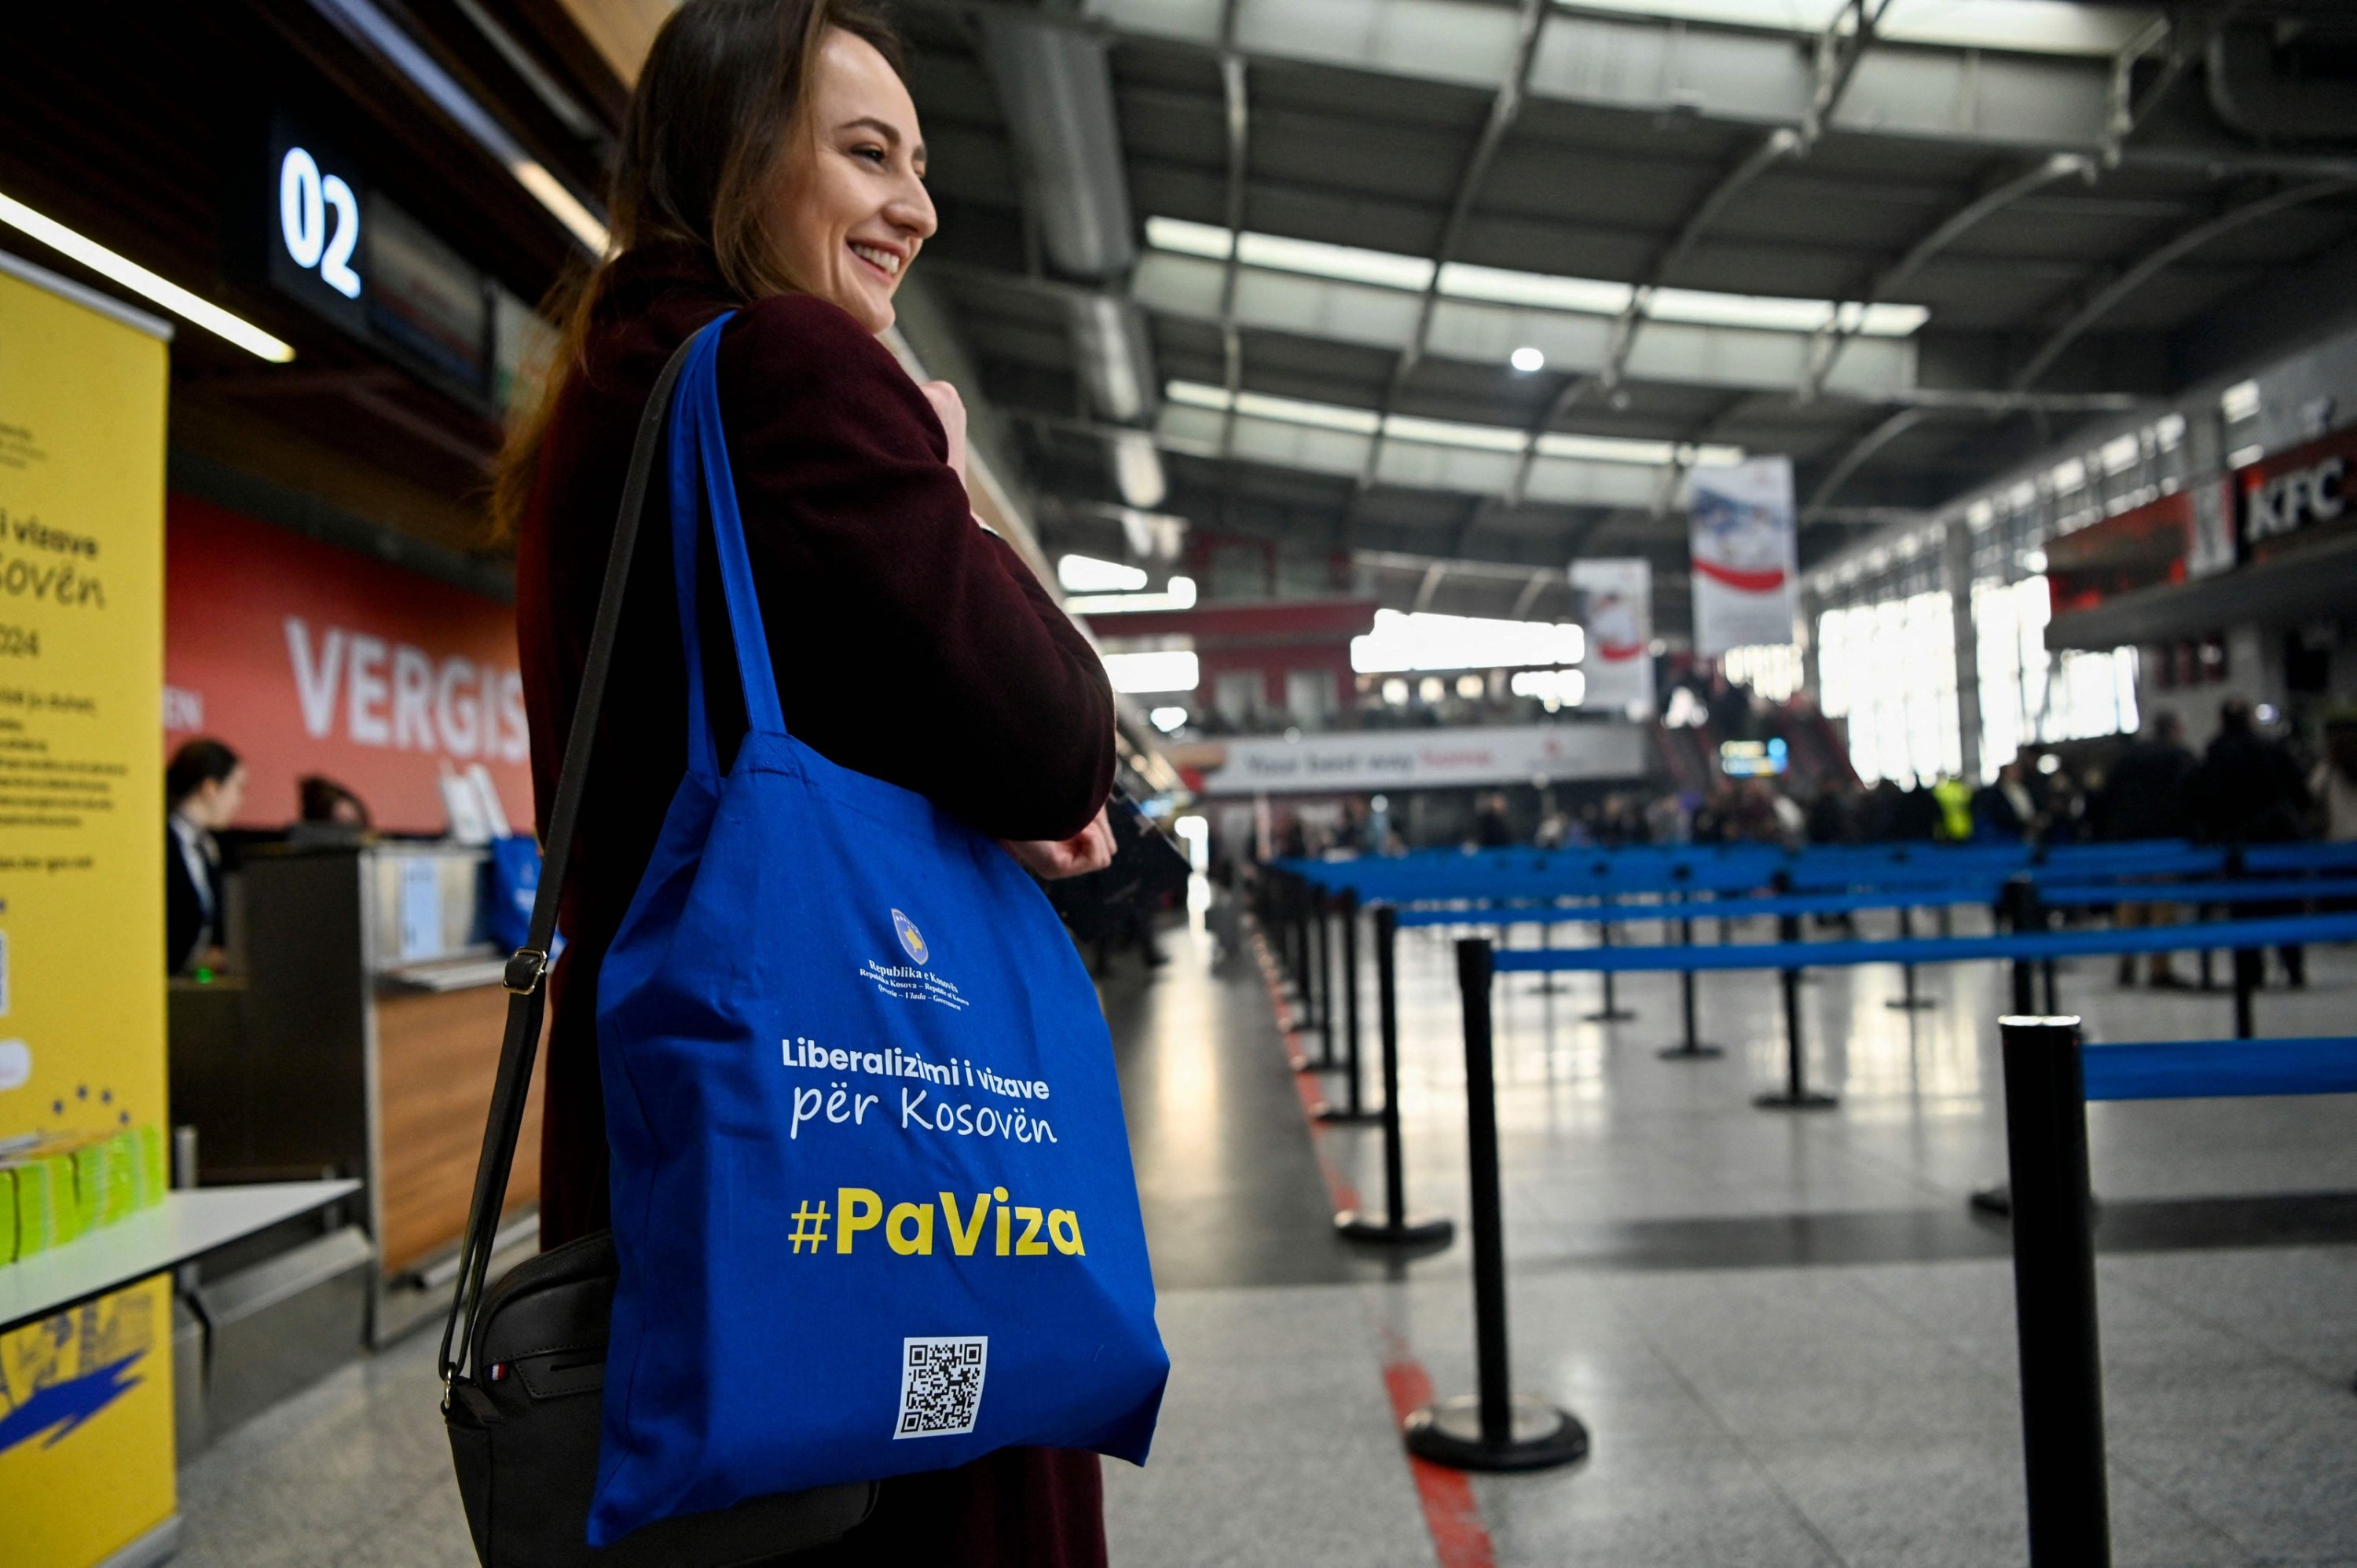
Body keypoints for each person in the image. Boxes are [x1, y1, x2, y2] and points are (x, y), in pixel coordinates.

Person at [498, 5, 1117, 1559]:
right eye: (864, 153)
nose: (914, 204)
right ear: (731, 158)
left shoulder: (602, 399)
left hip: (667, 1112)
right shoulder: (789, 369)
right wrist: (946, 468)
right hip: (858, 1132)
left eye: (918, 162)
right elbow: (1057, 735)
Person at [2190, 698, 2313, 988]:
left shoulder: (2214, 753)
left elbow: (2203, 803)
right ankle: (2293, 967)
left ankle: (2250, 973)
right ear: (2249, 719)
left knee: (2244, 911)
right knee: (2286, 908)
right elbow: (2300, 794)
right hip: (2278, 845)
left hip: (2238, 848)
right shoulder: (2272, 749)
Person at [2094, 711, 2195, 986]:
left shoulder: (2127, 759)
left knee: (2129, 903)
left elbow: (2106, 799)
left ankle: (2127, 964)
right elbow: (2192, 798)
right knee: (2162, 905)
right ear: (2174, 729)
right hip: (2165, 843)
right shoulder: (2179, 757)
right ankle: (2159, 968)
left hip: (2127, 844)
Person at [166, 738, 244, 974]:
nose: (239, 801)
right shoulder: (162, 843)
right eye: (238, 788)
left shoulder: (208, 847)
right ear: (210, 788)